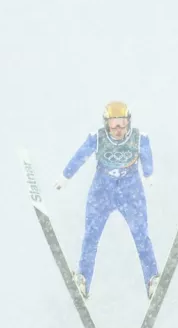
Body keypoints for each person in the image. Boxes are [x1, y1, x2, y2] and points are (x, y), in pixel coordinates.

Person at [54, 101, 159, 300]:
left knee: (141, 235)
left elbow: (146, 156)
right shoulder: (98, 138)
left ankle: (152, 279)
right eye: (113, 124)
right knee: (91, 236)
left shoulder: (139, 139)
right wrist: (66, 176)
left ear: (128, 122)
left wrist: (148, 174)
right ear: (106, 124)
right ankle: (83, 278)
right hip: (102, 189)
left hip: (130, 190)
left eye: (121, 123)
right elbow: (80, 156)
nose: (118, 129)